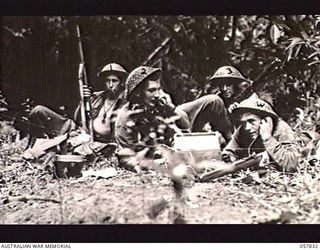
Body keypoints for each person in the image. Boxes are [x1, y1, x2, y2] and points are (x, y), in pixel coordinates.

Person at [115, 66, 234, 170]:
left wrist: (170, 108)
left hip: (176, 136)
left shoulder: (159, 102)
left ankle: (232, 147)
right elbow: (127, 159)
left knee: (214, 101)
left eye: (158, 89)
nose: (157, 94)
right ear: (137, 93)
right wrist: (159, 163)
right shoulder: (126, 119)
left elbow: (186, 125)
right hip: (164, 150)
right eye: (151, 90)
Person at [29, 63, 128, 143]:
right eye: (107, 81)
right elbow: (77, 119)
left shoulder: (126, 104)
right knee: (38, 110)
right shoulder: (96, 97)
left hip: (98, 143)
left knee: (73, 148)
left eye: (114, 81)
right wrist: (83, 101)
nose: (110, 85)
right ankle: (35, 144)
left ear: (122, 82)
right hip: (78, 131)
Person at [221, 93, 302, 172]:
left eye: (251, 121)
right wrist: (230, 159)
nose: (247, 127)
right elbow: (229, 152)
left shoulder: (281, 129)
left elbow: (292, 164)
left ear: (266, 120)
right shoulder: (243, 128)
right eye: (243, 122)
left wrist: (268, 138)